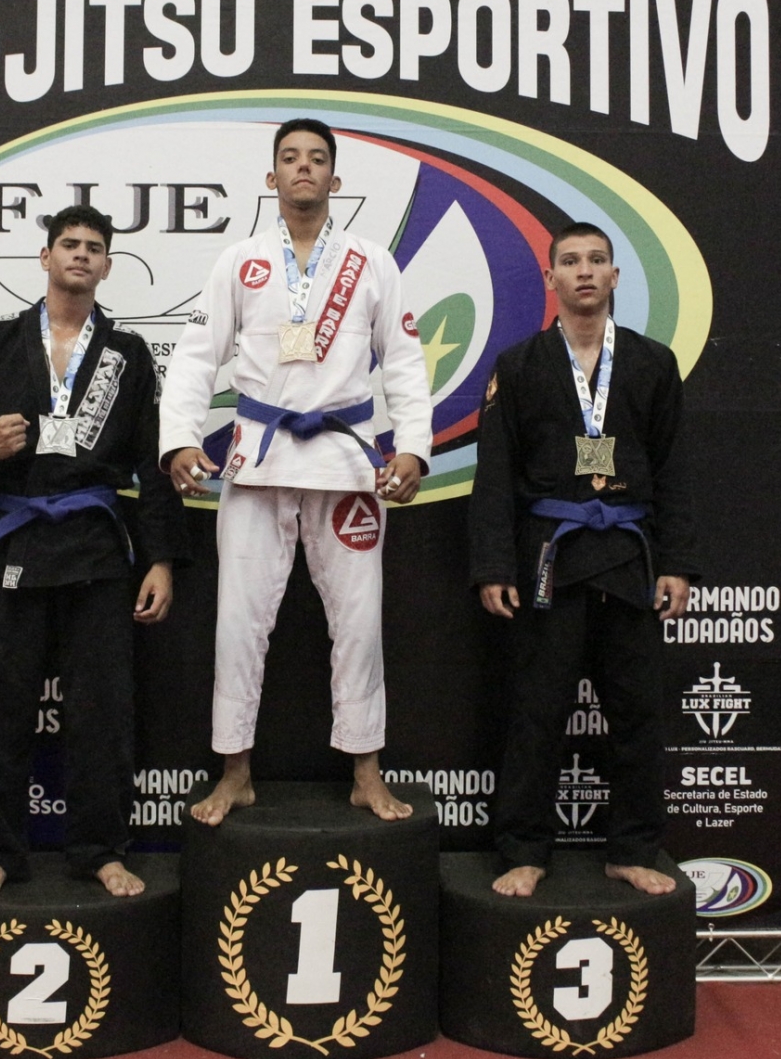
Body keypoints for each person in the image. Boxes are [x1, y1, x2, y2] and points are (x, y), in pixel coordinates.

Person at [161, 118, 433, 825]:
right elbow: (196, 356)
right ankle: (235, 772)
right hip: (259, 459)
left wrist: (411, 445)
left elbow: (404, 361)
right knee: (238, 623)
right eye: (290, 158)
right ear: (272, 177)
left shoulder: (373, 262)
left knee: (360, 623)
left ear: (335, 179)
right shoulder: (241, 261)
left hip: (346, 462)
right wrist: (180, 438)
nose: (303, 167)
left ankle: (366, 772)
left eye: (316, 158)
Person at [0, 204, 185, 899]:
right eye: (69, 243)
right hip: (15, 541)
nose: (81, 254)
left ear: (107, 266)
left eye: (94, 246)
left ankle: (100, 850)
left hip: (96, 551)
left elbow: (154, 464)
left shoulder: (128, 356)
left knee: (102, 711)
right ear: (45, 257)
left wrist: (159, 559)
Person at [469, 222, 700, 897]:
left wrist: (678, 562)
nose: (585, 271)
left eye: (597, 260)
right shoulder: (519, 365)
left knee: (637, 713)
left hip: (629, 555)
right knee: (536, 711)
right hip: (550, 556)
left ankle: (633, 848)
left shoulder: (653, 364)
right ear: (552, 279)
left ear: (615, 276)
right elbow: (495, 474)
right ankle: (523, 849)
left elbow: (676, 469)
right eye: (570, 261)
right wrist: (493, 566)